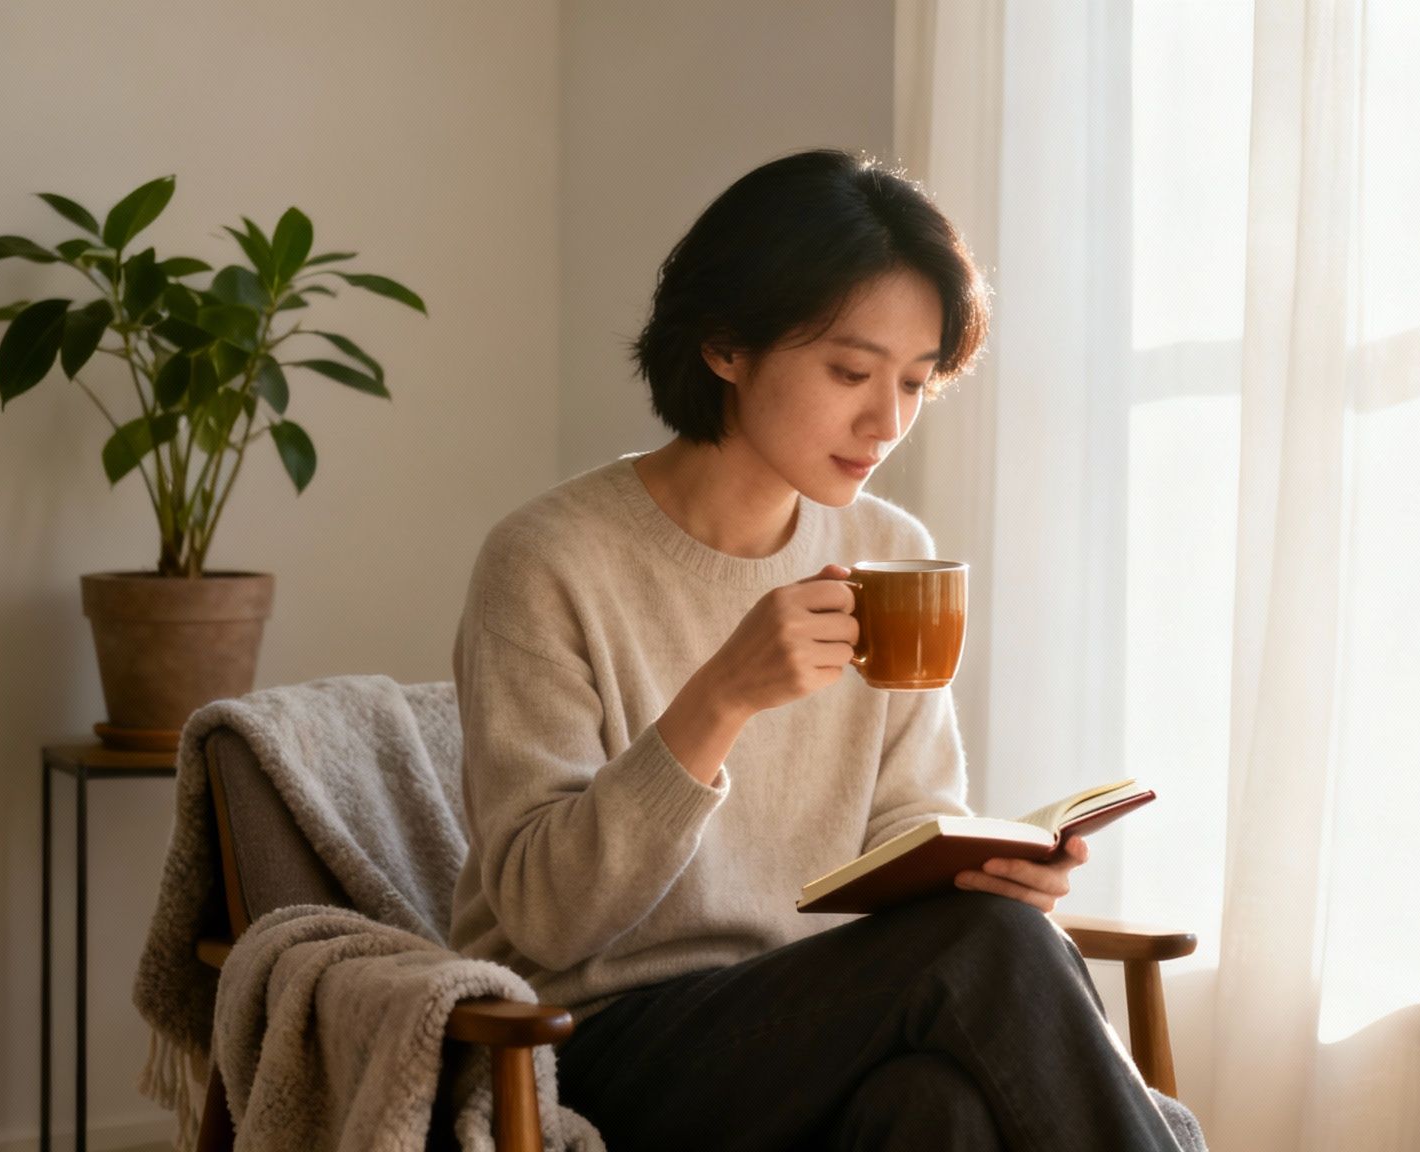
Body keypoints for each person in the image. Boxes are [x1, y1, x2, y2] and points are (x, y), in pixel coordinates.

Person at [448, 148, 1183, 1150]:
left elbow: (907, 825)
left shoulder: (889, 553)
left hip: (831, 1026)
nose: (884, 421)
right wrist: (718, 701)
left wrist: (986, 873)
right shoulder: (546, 561)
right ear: (723, 346)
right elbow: (545, 918)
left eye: (916, 383)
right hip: (598, 1040)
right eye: (848, 371)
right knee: (986, 957)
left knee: (938, 1112)